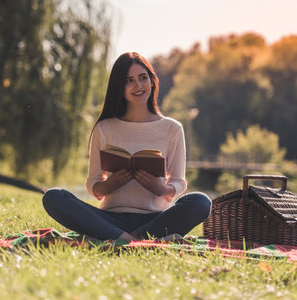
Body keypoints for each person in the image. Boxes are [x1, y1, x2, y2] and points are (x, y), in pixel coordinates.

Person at [42, 52, 211, 241]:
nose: (138, 86)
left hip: (155, 219)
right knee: (54, 197)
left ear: (152, 81)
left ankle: (124, 239)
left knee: (200, 202)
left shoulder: (172, 128)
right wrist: (108, 186)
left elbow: (179, 181)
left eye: (143, 78)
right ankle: (130, 239)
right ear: (119, 87)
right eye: (129, 81)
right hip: (109, 218)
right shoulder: (104, 127)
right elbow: (92, 184)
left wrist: (162, 190)